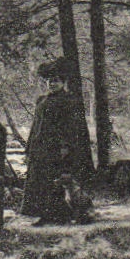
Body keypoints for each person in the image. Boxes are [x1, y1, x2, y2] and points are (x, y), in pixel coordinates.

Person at [21, 55, 93, 224]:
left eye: (56, 81)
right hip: (39, 148)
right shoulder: (42, 100)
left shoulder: (67, 101)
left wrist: (65, 147)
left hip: (55, 149)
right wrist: (28, 149)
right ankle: (44, 215)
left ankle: (61, 214)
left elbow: (69, 128)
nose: (52, 84)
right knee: (38, 182)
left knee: (54, 182)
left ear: (63, 82)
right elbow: (35, 127)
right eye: (50, 81)